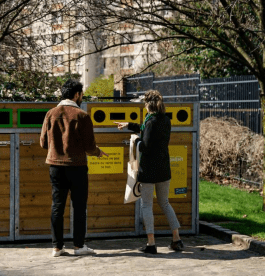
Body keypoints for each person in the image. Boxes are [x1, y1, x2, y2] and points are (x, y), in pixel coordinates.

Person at [40, 79, 108, 257]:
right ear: (77, 94)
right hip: (77, 167)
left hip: (55, 166)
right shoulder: (82, 116)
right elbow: (89, 146)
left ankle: (57, 247)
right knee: (79, 207)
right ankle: (79, 246)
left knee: (57, 206)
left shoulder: (50, 114)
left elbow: (43, 143)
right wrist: (98, 152)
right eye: (81, 94)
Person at [116, 90, 184, 254]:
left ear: (148, 105)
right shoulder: (165, 120)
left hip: (149, 170)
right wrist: (130, 126)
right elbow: (146, 129)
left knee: (146, 205)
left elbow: (145, 145)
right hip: (163, 169)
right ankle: (176, 239)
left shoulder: (151, 121)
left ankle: (151, 243)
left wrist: (135, 139)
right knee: (164, 203)